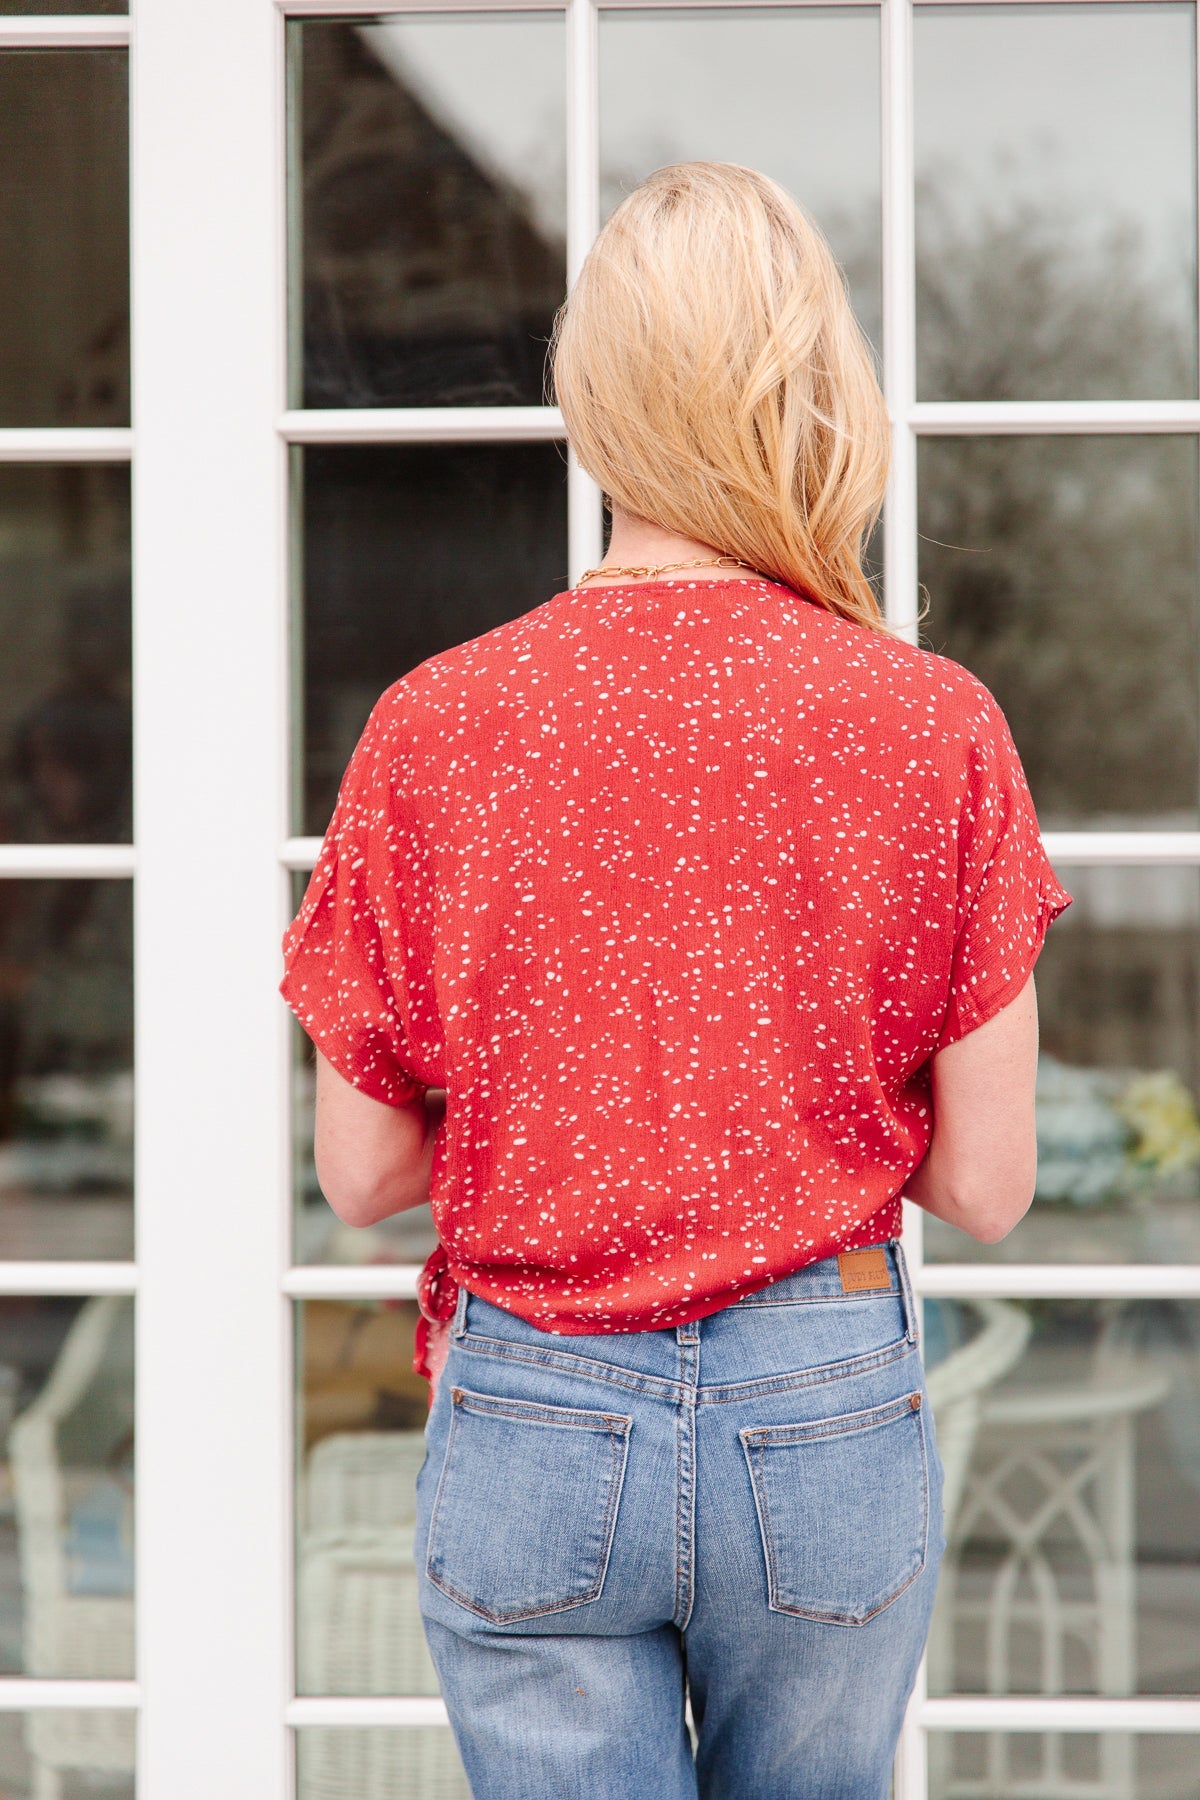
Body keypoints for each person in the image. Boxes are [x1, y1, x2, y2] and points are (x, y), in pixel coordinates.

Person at [279, 161, 1071, 1800]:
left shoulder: (438, 722)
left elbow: (360, 1174)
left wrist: (580, 1100)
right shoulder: (931, 724)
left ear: (593, 397)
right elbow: (989, 1182)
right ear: (811, 395)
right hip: (822, 1396)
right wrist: (779, 1106)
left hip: (534, 1408)